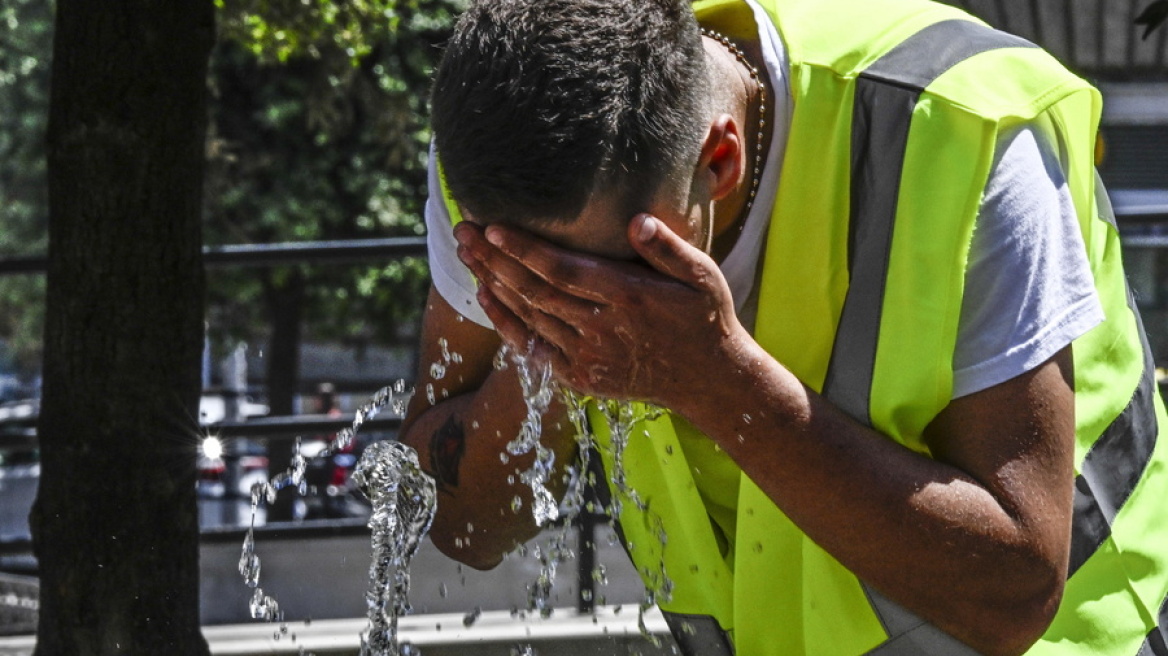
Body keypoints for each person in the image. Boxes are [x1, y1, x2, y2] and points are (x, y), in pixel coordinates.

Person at [399, 0, 1168, 654]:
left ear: (721, 161)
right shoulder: (495, 165)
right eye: (528, 279)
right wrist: (546, 347)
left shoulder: (959, 131)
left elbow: (1018, 593)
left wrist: (720, 382)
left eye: (608, 279)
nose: (571, 302)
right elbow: (464, 529)